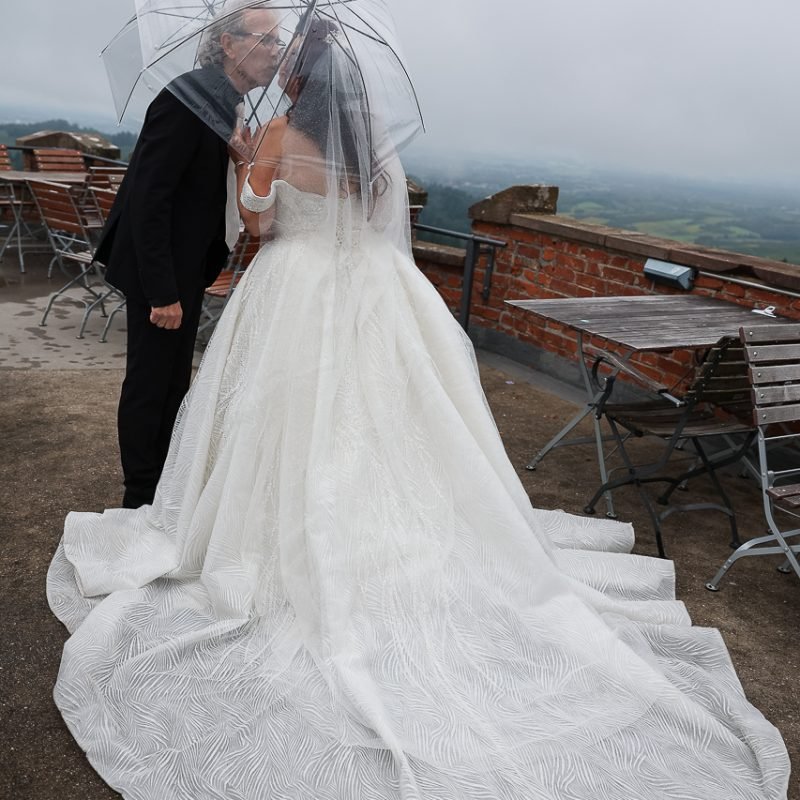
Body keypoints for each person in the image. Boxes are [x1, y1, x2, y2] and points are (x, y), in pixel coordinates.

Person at [48, 7, 790, 800]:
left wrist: (252, 168)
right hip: (379, 298)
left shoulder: (269, 136)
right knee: (382, 423)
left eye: (281, 52)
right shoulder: (376, 146)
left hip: (292, 296)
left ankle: (244, 520)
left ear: (298, 80)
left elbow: (257, 229)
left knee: (281, 418)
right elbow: (379, 228)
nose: (273, 58)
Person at [94, 3, 283, 509]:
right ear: (229, 43)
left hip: (187, 266)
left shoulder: (224, 101)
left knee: (176, 381)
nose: (275, 52)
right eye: (266, 41)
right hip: (162, 272)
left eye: (277, 42)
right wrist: (162, 291)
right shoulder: (187, 99)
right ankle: (137, 500)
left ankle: (162, 490)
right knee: (151, 384)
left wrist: (240, 159)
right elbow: (149, 197)